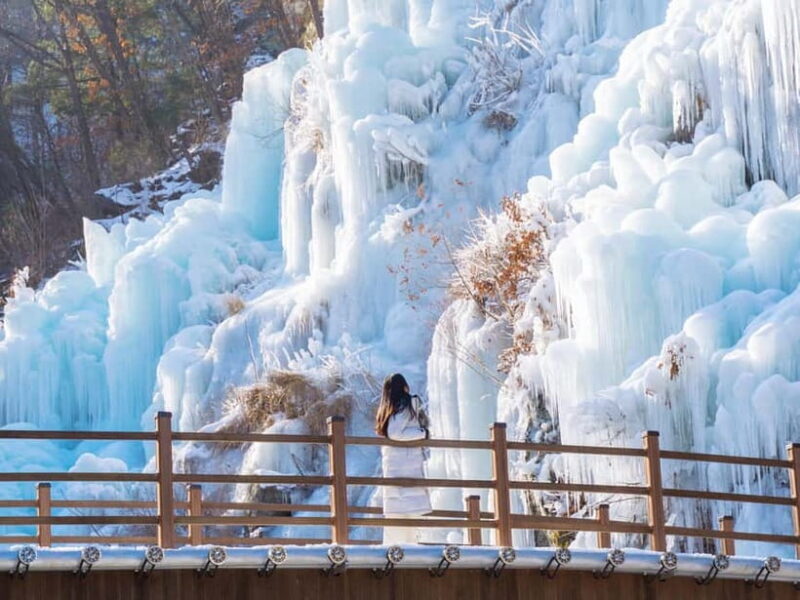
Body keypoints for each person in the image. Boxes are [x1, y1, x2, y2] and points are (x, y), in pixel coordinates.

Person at [375, 373, 431, 544]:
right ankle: (410, 549)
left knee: (397, 518)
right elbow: (395, 433)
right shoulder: (406, 404)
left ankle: (395, 550)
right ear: (404, 386)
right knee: (410, 515)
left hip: (394, 466)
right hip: (407, 464)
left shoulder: (387, 409)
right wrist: (422, 433)